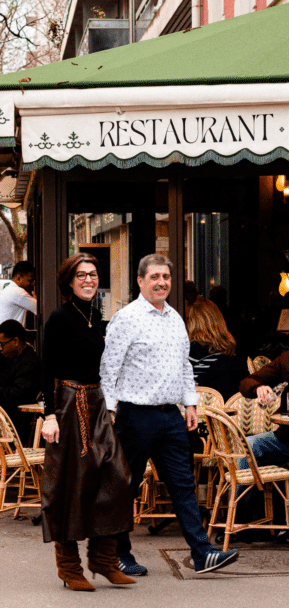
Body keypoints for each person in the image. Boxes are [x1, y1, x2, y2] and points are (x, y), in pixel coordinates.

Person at [99, 252, 239, 577]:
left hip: (171, 417)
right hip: (135, 417)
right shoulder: (127, 318)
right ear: (140, 281)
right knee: (125, 488)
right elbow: (108, 368)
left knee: (183, 486)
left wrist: (190, 404)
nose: (162, 282)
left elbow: (184, 367)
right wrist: (107, 411)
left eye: (166, 277)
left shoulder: (177, 318)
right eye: (155, 277)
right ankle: (115, 554)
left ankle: (203, 554)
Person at [41, 252, 135, 592]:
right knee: (71, 484)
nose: (88, 280)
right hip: (67, 405)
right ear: (69, 281)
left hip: (96, 404)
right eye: (81, 275)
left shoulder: (97, 315)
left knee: (117, 477)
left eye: (93, 274)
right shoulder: (60, 318)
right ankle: (69, 567)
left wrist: (109, 404)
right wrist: (48, 415)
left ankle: (104, 559)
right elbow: (46, 369)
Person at [238, 350, 289, 517]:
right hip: (288, 436)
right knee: (250, 445)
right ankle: (244, 513)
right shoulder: (288, 359)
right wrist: (258, 387)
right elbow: (246, 383)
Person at [188, 299, 247, 400]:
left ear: (193, 323)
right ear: (219, 321)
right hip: (222, 414)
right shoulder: (232, 361)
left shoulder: (182, 356)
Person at [0, 318, 41, 444]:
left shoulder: (29, 363)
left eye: (2, 344)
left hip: (18, 423)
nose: (1, 349)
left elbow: (18, 395)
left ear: (16, 341)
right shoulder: (13, 358)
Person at [0, 261, 37, 326]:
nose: (33, 284)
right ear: (18, 278)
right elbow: (41, 309)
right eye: (30, 281)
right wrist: (36, 300)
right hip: (11, 335)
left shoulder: (8, 289)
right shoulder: (18, 292)